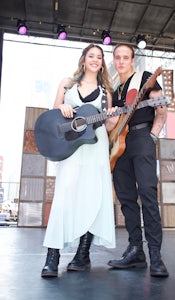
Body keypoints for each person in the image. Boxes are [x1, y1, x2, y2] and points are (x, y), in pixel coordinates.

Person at [41, 44, 118, 278]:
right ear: (83, 59)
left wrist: (112, 122)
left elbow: (107, 126)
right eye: (91, 56)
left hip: (96, 145)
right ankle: (52, 257)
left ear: (102, 63)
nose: (95, 60)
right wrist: (63, 105)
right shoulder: (67, 83)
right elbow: (52, 115)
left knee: (94, 196)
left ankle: (82, 255)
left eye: (99, 57)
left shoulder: (106, 90)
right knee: (64, 197)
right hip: (71, 147)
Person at [107, 44, 169, 277]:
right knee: (126, 198)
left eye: (126, 57)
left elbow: (161, 108)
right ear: (114, 60)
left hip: (142, 137)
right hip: (119, 145)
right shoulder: (114, 88)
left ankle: (156, 256)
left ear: (132, 59)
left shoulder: (144, 78)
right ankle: (135, 251)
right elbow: (111, 122)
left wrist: (152, 135)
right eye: (118, 58)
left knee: (147, 193)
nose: (121, 61)